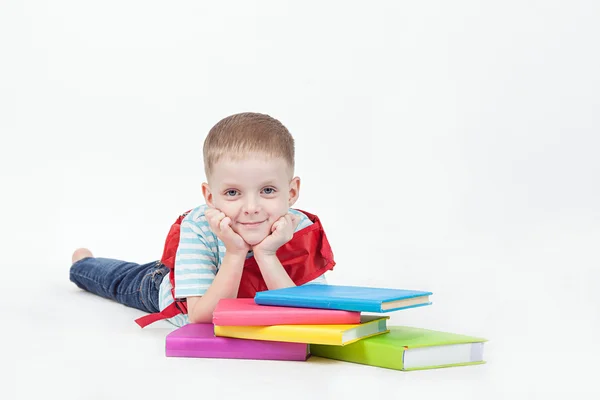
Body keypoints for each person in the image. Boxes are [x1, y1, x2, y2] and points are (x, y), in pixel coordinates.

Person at [69, 112, 336, 328]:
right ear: (210, 196)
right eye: (233, 193)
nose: (252, 208)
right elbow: (201, 316)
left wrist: (266, 254)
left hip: (230, 291)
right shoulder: (199, 226)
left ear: (291, 193)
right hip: (173, 289)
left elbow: (305, 311)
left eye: (267, 190)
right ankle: (84, 263)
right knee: (118, 281)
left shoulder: (300, 229)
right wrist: (234, 252)